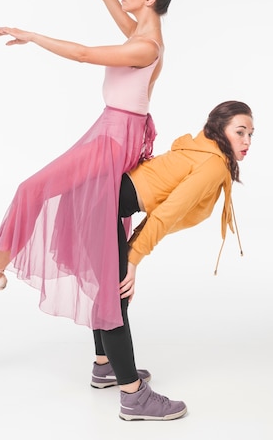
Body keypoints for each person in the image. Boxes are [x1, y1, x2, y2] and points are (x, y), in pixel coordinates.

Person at [0, 0, 185, 418]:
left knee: (34, 189)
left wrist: (31, 35)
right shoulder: (139, 27)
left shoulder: (147, 45)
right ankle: (98, 357)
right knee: (60, 211)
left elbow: (81, 54)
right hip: (107, 131)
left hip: (113, 140)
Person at [96, 99, 253, 421]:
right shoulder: (211, 165)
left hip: (101, 200)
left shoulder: (202, 152)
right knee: (116, 297)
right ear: (219, 129)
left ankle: (105, 366)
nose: (247, 141)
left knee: (110, 293)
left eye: (251, 134)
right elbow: (166, 214)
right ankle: (132, 397)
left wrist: (131, 251)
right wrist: (133, 257)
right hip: (100, 203)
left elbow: (161, 209)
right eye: (240, 132)